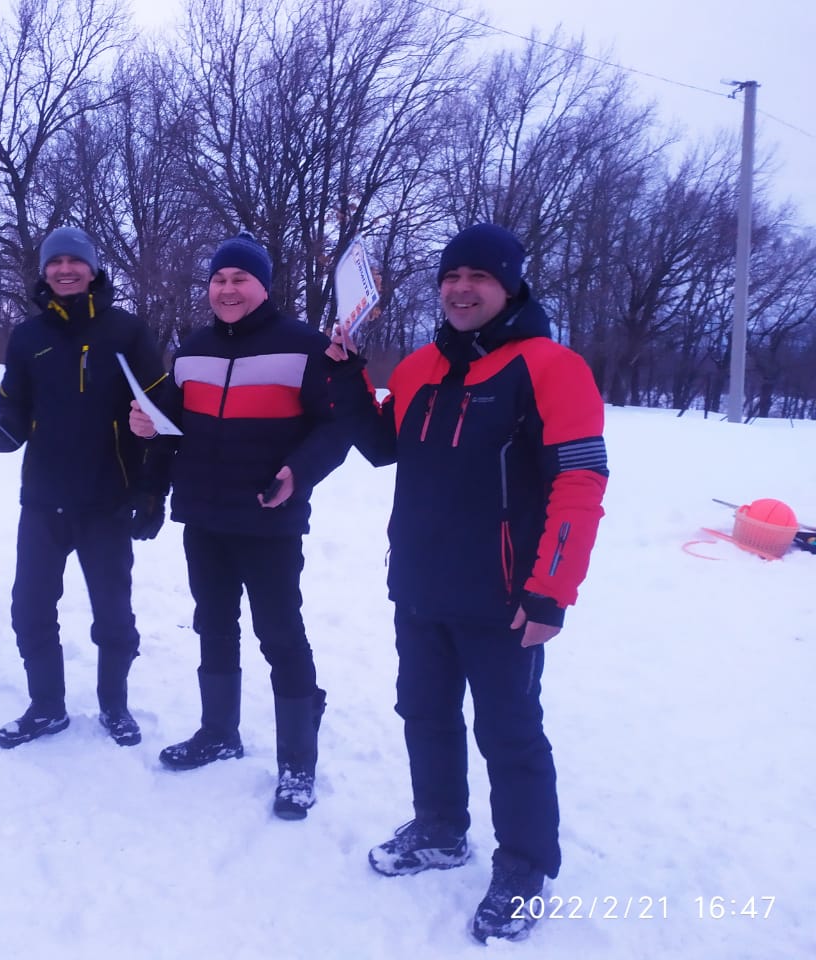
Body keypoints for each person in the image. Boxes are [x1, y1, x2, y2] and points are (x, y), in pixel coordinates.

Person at [328, 223, 608, 943]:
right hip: (420, 585)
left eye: (478, 277)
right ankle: (440, 828)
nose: (460, 289)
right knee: (423, 712)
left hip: (505, 597)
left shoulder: (552, 368)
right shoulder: (419, 367)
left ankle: (523, 867)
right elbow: (382, 445)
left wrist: (551, 591)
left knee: (509, 734)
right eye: (451, 277)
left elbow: (580, 484)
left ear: (509, 286)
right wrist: (348, 372)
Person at [129, 230, 347, 820]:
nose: (227, 289)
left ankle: (297, 763)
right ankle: (219, 732)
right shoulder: (192, 349)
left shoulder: (303, 347)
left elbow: (335, 427)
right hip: (203, 516)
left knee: (279, 634)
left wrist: (297, 473)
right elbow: (170, 425)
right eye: (219, 279)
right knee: (214, 625)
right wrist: (150, 475)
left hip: (268, 516)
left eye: (240, 279)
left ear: (263, 286)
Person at [0, 227, 169, 749]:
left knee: (113, 613)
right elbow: (15, 406)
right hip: (43, 500)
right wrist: (0, 428)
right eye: (55, 262)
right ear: (44, 271)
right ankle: (47, 707)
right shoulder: (27, 337)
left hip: (108, 499)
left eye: (75, 261)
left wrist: (152, 490)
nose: (65, 270)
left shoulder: (127, 332)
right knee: (30, 608)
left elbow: (161, 411)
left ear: (93, 269)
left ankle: (114, 704)